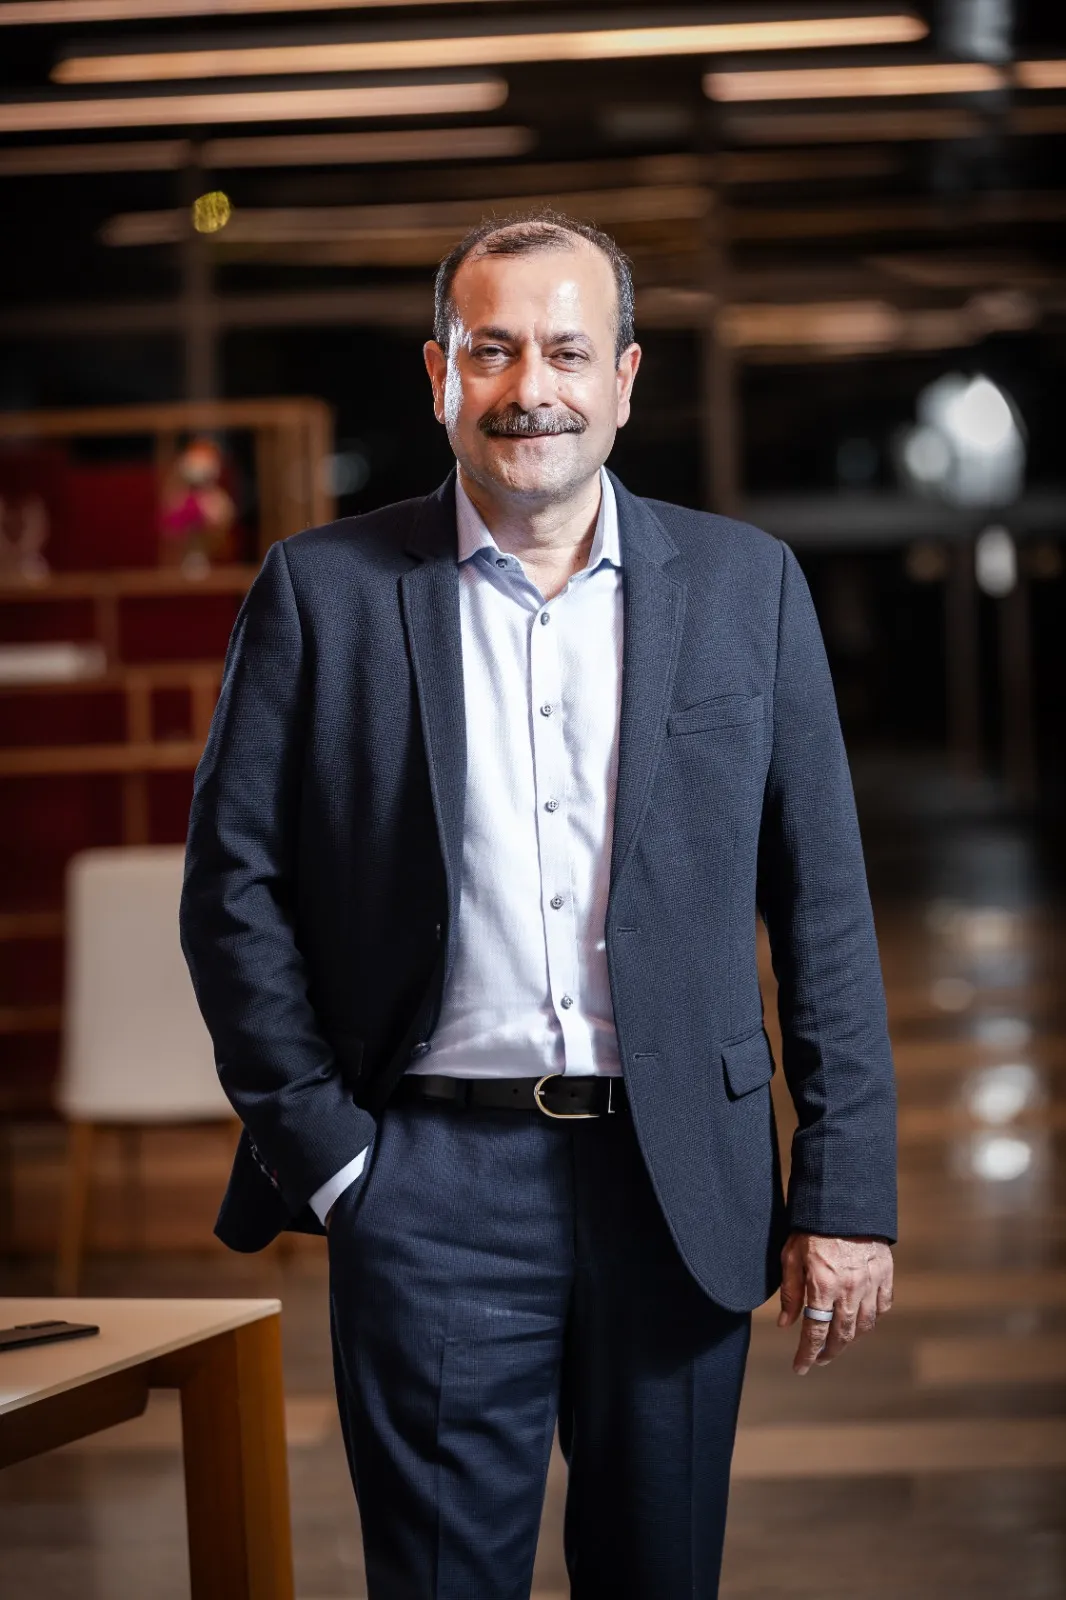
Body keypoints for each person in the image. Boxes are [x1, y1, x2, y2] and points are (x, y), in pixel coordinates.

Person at [180, 210, 896, 1600]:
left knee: (659, 1577)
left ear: (625, 379)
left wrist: (847, 1192)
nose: (531, 388)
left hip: (680, 1181)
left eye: (567, 349)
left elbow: (820, 902)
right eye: (492, 350)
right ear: (438, 374)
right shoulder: (320, 594)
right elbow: (233, 896)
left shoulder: (748, 589)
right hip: (427, 1181)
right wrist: (332, 1157)